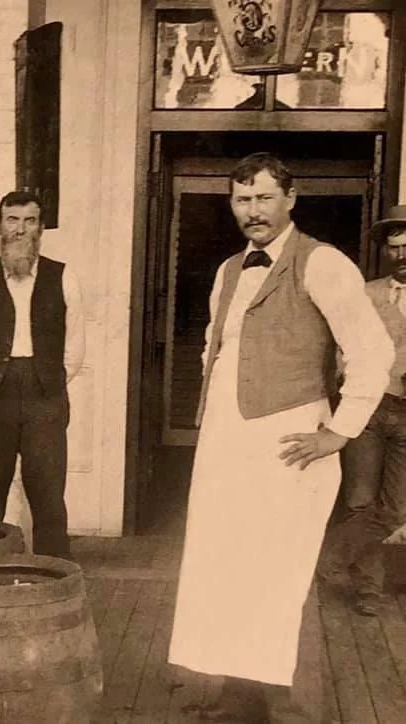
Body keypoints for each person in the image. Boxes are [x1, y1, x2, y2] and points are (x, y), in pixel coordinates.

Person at [168, 152, 393, 721]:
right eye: (243, 200)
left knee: (280, 573)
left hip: (290, 445)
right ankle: (239, 698)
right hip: (228, 443)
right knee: (225, 567)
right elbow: (213, 352)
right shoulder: (227, 270)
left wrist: (339, 432)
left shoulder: (324, 264)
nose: (254, 211)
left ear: (290, 199)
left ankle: (292, 708)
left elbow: (373, 352)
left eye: (264, 198)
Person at [0, 191, 85, 558]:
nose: (20, 229)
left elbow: (74, 350)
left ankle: (53, 577)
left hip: (44, 397)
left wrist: (45, 381)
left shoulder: (63, 277)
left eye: (30, 221)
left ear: (41, 228)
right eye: (12, 220)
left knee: (48, 495)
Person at [317, 205, 406, 616]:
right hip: (371, 410)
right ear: (385, 252)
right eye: (394, 248)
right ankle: (369, 591)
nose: (402, 255)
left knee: (396, 509)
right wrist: (345, 381)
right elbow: (342, 347)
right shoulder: (367, 294)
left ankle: (329, 557)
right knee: (360, 503)